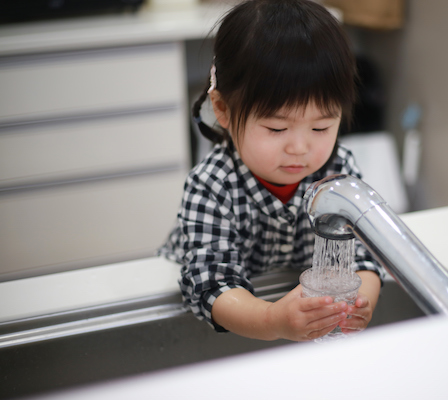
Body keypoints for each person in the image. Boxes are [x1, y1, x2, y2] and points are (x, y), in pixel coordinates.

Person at [158, 0, 384, 342]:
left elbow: (366, 255)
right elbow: (210, 285)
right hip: (219, 326)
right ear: (223, 109)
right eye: (277, 129)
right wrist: (271, 319)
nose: (299, 148)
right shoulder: (212, 185)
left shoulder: (338, 172)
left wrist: (361, 299)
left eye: (321, 127)